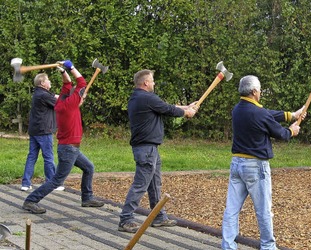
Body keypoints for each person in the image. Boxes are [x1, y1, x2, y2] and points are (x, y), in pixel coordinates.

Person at [221, 75, 305, 250]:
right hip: (256, 166)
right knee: (263, 209)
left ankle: (228, 248)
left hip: (237, 164)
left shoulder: (237, 109)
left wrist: (292, 115)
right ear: (253, 92)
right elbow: (282, 134)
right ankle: (268, 248)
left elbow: (266, 113)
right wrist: (292, 129)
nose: (260, 93)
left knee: (231, 209)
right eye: (259, 90)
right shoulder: (259, 113)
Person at [118, 69, 198, 233]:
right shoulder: (146, 97)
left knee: (155, 184)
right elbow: (169, 110)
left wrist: (187, 106)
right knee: (140, 184)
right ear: (146, 83)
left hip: (150, 148)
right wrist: (186, 113)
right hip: (146, 149)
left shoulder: (139, 97)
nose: (154, 83)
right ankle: (126, 219)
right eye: (152, 81)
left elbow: (165, 107)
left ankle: (159, 217)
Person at [22, 60, 104, 214]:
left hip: (71, 147)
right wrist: (72, 67)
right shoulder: (69, 105)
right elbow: (81, 82)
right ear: (74, 98)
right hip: (69, 149)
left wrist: (62, 71)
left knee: (89, 168)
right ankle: (31, 201)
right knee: (57, 180)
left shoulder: (61, 102)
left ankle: (87, 198)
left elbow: (67, 85)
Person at [20, 72, 65, 192]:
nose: (50, 82)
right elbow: (60, 104)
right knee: (48, 157)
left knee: (32, 156)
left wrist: (67, 94)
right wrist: (73, 98)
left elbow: (55, 96)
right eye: (48, 80)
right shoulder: (43, 95)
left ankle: (25, 183)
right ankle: (52, 183)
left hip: (34, 130)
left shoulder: (39, 93)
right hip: (43, 131)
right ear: (42, 83)